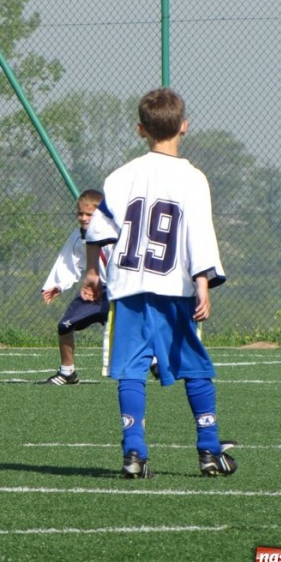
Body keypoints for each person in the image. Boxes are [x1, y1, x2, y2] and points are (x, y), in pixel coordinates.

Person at [81, 88, 236, 479]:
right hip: (173, 288)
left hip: (129, 288)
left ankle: (134, 453)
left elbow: (98, 231)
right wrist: (202, 281)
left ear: (140, 130)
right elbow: (199, 233)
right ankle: (209, 449)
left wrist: (93, 272)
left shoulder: (119, 176)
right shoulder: (193, 178)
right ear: (184, 127)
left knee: (131, 370)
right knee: (196, 366)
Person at [40, 189, 111, 385]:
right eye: (80, 213)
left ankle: (157, 361)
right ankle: (67, 372)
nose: (84, 218)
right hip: (93, 294)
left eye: (90, 214)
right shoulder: (79, 235)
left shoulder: (117, 231)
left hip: (118, 293)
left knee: (131, 333)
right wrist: (58, 285)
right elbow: (69, 261)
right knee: (65, 325)